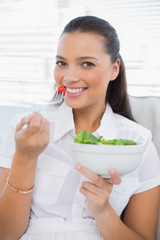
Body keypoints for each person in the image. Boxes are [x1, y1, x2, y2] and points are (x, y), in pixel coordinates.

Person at [0, 15, 160, 240]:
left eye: (87, 63)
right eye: (61, 63)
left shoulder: (139, 144)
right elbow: (5, 234)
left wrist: (103, 211)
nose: (69, 77)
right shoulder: (23, 132)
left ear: (114, 69)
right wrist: (25, 158)